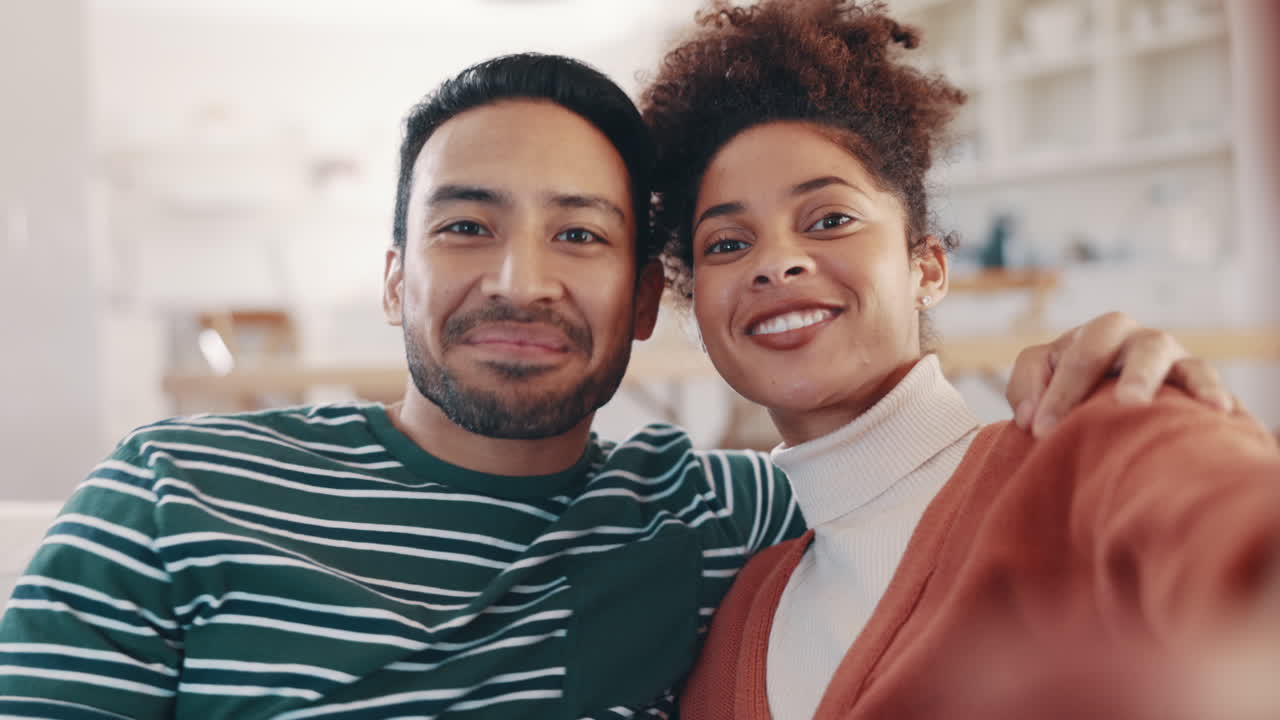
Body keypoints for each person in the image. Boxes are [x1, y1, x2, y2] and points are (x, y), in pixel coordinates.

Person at [0, 52, 1242, 720]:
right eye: (465, 226)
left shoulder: (718, 518)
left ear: (647, 302)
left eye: (580, 235)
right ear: (392, 278)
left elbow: (910, 485)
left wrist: (1131, 403)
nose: (519, 280)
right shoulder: (174, 492)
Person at [637, 2, 1280, 719]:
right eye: (728, 244)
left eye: (830, 220)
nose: (777, 262)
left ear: (928, 269)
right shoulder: (730, 621)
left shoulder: (1102, 443)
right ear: (697, 307)